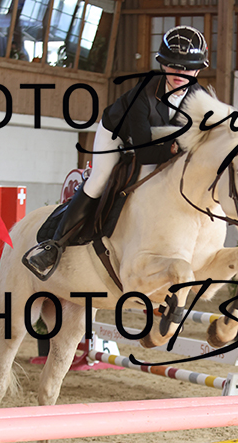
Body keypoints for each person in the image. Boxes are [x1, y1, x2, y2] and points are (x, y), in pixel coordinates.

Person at [23, 25, 209, 279]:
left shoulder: (201, 99)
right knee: (100, 179)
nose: (180, 73)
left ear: (198, 70)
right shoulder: (143, 95)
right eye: (174, 66)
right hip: (118, 135)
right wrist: (178, 147)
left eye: (188, 68)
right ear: (163, 64)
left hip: (163, 144)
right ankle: (54, 246)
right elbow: (144, 153)